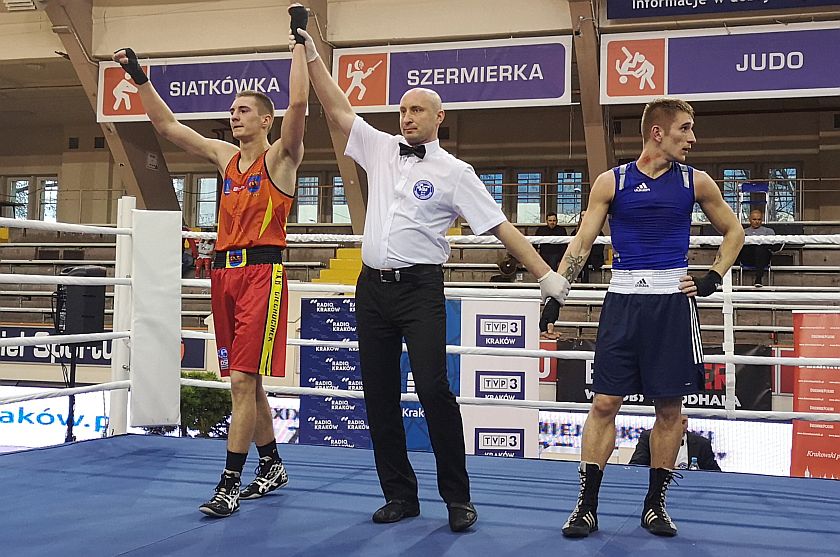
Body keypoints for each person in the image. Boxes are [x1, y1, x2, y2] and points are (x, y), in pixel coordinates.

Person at [295, 28, 570, 532]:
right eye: (402, 110)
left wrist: (547, 275)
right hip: (371, 288)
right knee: (378, 394)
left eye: (417, 110)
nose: (407, 117)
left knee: (434, 390)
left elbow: (500, 226)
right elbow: (337, 108)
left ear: (439, 117)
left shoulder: (456, 172)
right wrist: (312, 52)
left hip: (420, 290)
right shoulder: (379, 148)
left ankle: (458, 498)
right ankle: (400, 495)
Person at [114, 4, 311, 518]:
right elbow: (167, 125)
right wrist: (139, 79)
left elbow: (298, 102)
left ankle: (228, 483)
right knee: (247, 380)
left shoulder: (282, 158)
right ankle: (271, 465)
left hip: (262, 275)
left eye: (244, 110)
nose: (234, 115)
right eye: (233, 110)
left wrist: (299, 42)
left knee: (243, 382)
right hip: (222, 273)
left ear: (265, 120)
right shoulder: (225, 157)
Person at [558, 98, 743, 538]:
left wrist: (713, 276)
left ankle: (655, 505)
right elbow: (583, 242)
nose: (693, 138)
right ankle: (586, 506)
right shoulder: (612, 181)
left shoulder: (696, 182)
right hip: (622, 300)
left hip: (672, 305)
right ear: (658, 132)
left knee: (669, 407)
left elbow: (734, 231)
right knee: (604, 403)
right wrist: (556, 294)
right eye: (685, 129)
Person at [629, 415, 721, 471]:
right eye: (676, 422)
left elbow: (715, 474)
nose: (680, 426)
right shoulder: (648, 437)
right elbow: (635, 467)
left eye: (684, 422)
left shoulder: (702, 443)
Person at [737, 208, 776, 287]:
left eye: (759, 219)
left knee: (760, 248)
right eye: (754, 219)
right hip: (748, 257)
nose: (757, 221)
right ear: (750, 220)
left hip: (763, 257)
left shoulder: (769, 231)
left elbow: (773, 246)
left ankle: (758, 278)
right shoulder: (743, 232)